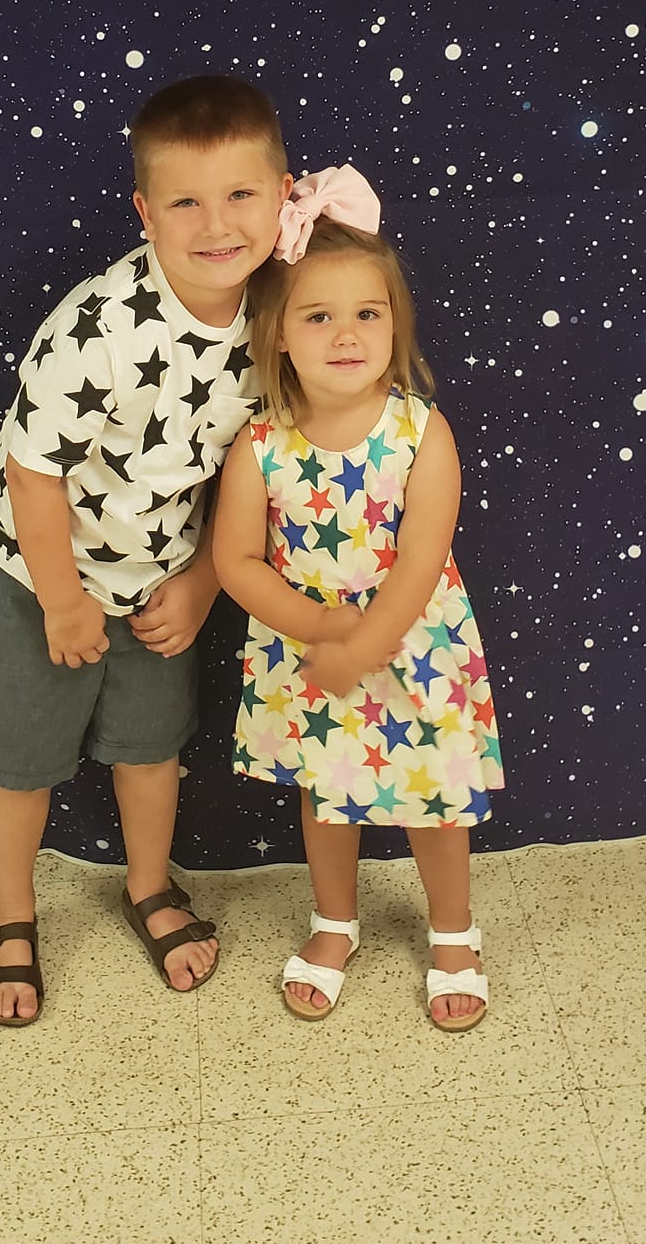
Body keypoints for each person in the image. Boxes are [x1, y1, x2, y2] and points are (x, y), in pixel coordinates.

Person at [0, 75, 293, 1024]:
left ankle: (149, 884)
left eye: (241, 196)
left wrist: (202, 584)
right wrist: (61, 599)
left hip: (163, 568)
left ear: (283, 195)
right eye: (185, 200)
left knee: (150, 747)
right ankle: (9, 914)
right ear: (145, 211)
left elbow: (254, 470)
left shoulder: (280, 314)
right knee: (19, 753)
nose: (217, 224)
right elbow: (34, 474)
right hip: (37, 564)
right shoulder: (99, 327)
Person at [213, 167, 504, 1028]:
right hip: (312, 650)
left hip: (413, 647)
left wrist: (370, 640)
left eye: (366, 314)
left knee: (436, 802)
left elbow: (424, 554)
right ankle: (333, 921)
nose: (346, 334)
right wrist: (322, 630)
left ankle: (453, 930)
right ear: (277, 337)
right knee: (325, 792)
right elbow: (236, 560)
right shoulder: (260, 443)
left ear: (395, 324)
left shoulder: (421, 430)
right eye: (318, 315)